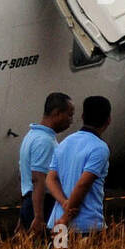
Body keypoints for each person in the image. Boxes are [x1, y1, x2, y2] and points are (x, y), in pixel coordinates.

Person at [45, 96, 112, 237]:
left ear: (82, 116)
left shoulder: (65, 143)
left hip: (57, 222)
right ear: (108, 120)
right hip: (87, 226)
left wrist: (64, 204)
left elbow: (50, 179)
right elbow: (83, 184)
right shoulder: (99, 148)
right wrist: (66, 218)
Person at [18, 92, 74, 238]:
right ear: (56, 113)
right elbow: (38, 179)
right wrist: (39, 216)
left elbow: (25, 178)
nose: (71, 120)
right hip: (43, 204)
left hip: (30, 201)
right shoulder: (44, 141)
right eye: (69, 115)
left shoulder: (32, 136)